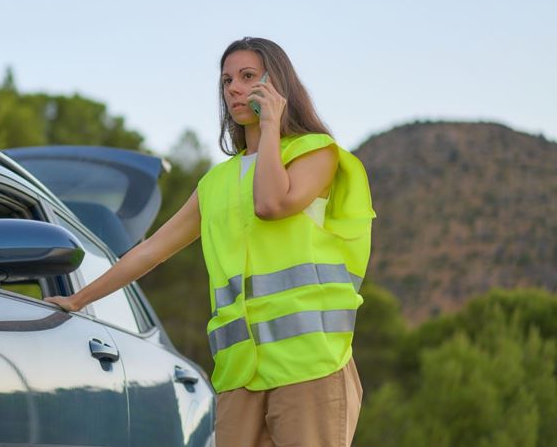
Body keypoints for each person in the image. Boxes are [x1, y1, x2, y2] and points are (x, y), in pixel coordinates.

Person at [45, 36, 376, 447]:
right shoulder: (216, 183)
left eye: (248, 76)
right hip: (239, 375)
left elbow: (271, 204)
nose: (234, 88)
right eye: (226, 80)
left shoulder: (316, 152)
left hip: (311, 367)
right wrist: (77, 300)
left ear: (277, 85)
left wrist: (270, 127)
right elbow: (150, 251)